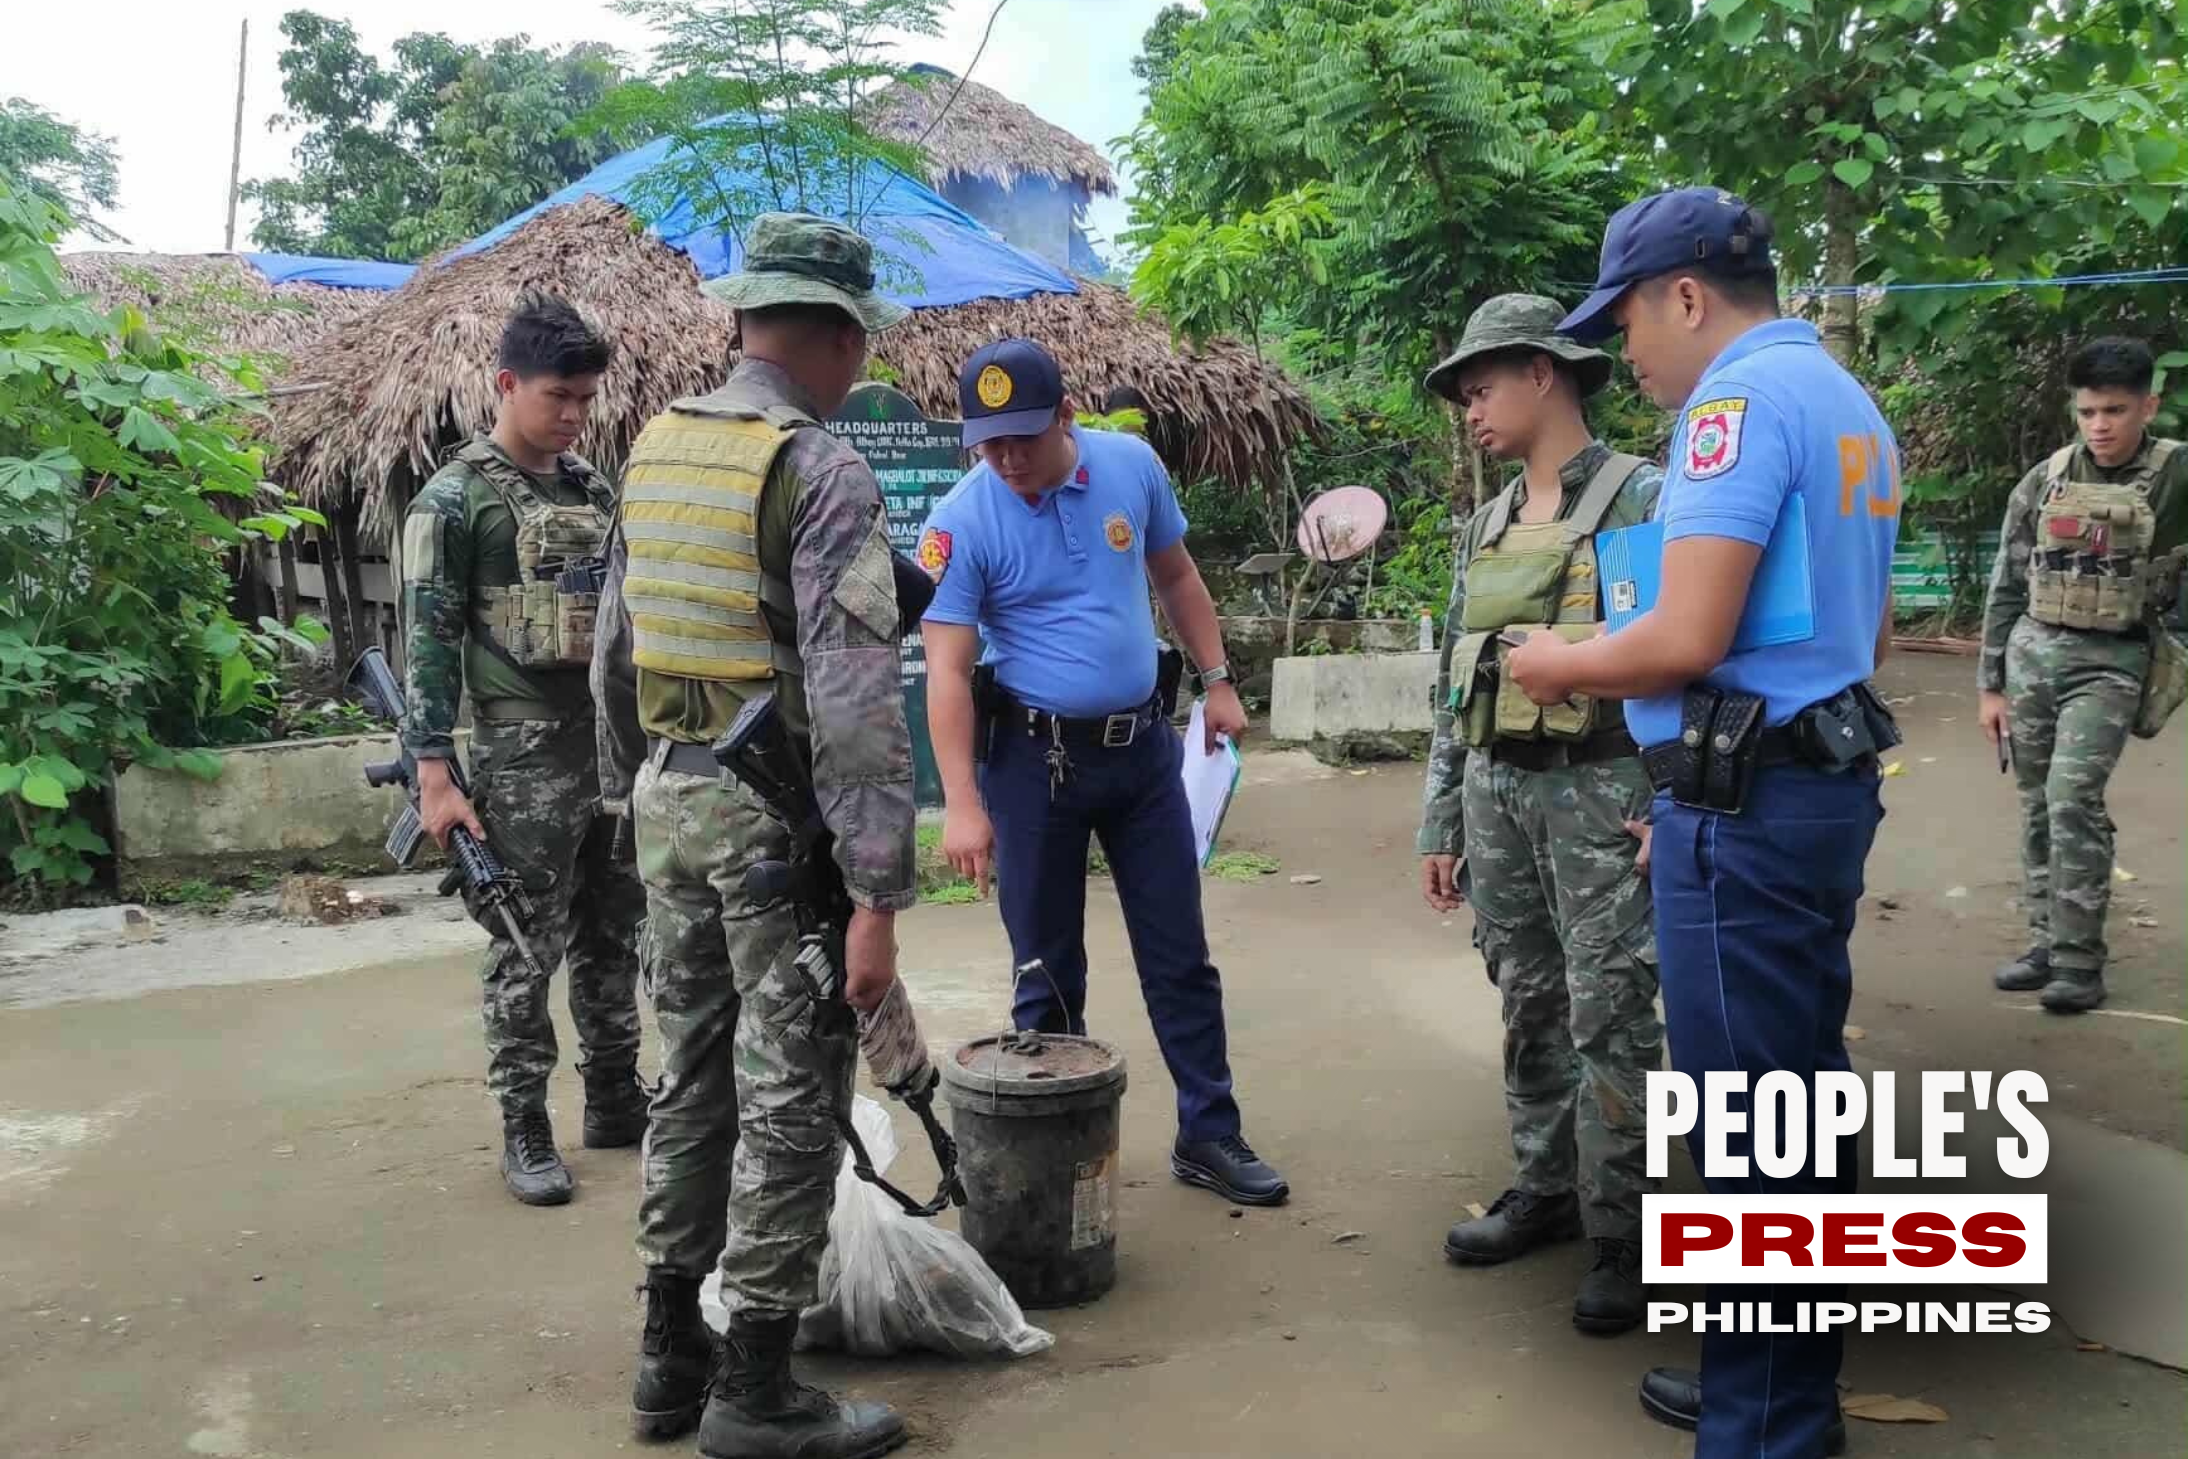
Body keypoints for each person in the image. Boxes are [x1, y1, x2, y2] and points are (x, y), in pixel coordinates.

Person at [1505, 187, 1899, 1459]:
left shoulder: (1733, 406)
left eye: (1625, 320)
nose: (1623, 353)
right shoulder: (1849, 404)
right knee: (1798, 1100)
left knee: (1750, 1125)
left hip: (1753, 805)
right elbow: (1857, 633)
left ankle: (1767, 1427)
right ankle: (1771, 1379)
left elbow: (1685, 635)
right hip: (1811, 784)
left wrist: (1562, 662)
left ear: (1685, 295)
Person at [591, 213, 916, 1458]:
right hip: (775, 829)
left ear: (743, 321)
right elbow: (852, 701)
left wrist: (632, 799)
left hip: (670, 802)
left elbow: (616, 647)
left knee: (691, 1084)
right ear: (835, 337)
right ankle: (757, 1387)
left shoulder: (658, 446)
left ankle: (667, 1355)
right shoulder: (819, 466)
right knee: (790, 1092)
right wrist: (877, 891)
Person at [918, 337, 1289, 1208]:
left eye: (1022, 438)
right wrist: (962, 805)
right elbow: (945, 671)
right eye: (988, 442)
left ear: (1065, 416)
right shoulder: (962, 519)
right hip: (1031, 764)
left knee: (1179, 953)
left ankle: (1209, 1129)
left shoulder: (1131, 466)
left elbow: (1177, 573)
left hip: (1145, 757)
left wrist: (1220, 679)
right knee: (1046, 970)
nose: (1005, 459)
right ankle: (1054, 1151)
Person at [1416, 293, 1664, 1335]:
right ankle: (1545, 1186)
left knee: (1612, 1008)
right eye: (1464, 393)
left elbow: (1670, 659)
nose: (1471, 408)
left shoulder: (1638, 500)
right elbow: (1451, 680)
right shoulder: (1485, 522)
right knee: (1526, 995)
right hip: (1498, 788)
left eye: (1483, 387)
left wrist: (1673, 799)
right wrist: (1441, 818)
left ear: (1544, 374)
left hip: (1603, 785)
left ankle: (1624, 1230)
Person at [399, 292, 646, 1208]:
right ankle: (525, 1123)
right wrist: (434, 772)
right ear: (506, 383)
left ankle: (616, 1094)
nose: (575, 413)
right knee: (521, 944)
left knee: (614, 933)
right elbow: (426, 640)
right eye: (558, 395)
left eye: (585, 397)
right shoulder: (454, 501)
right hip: (519, 756)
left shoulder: (592, 489)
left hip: (609, 750)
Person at [1978, 336, 2187, 1013]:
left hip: (2114, 658)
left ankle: (2079, 960)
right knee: (2037, 802)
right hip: (2035, 653)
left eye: (2116, 410)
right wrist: (1990, 683)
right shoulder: (2047, 478)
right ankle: (2045, 943)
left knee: (2072, 797)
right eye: (2089, 410)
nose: (2101, 425)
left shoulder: (2176, 475)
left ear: (2149, 405)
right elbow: (2007, 581)